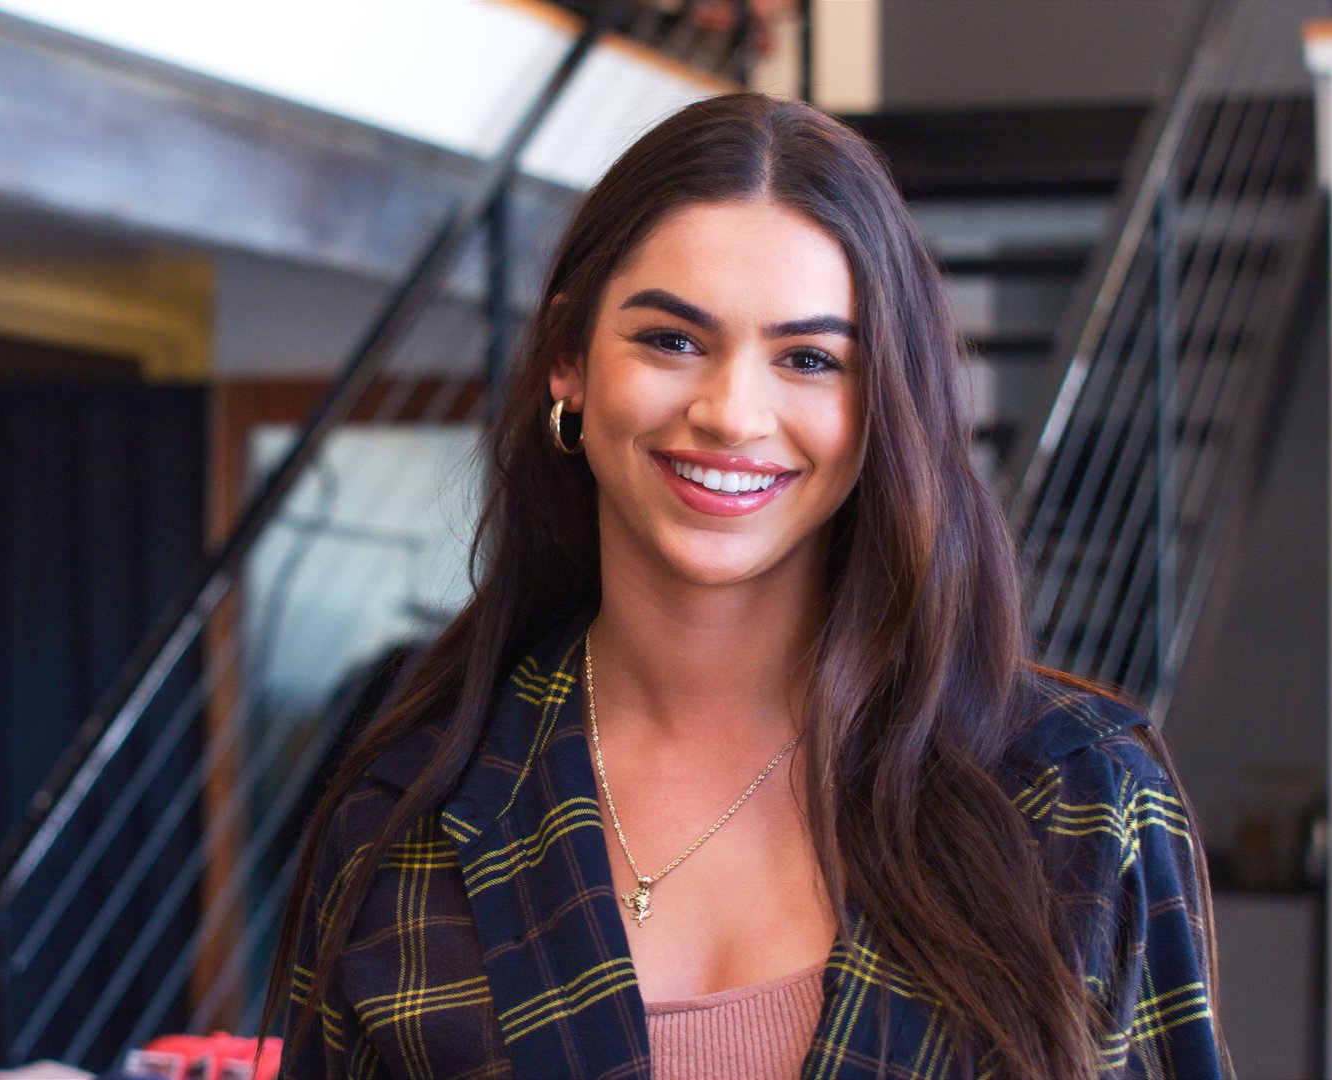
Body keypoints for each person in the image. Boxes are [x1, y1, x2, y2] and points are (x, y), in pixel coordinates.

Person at [266, 93, 1228, 1080]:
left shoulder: (1075, 795)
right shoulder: (413, 810)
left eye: (809, 359)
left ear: (880, 403)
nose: (732, 413)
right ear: (569, 360)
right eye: (671, 340)